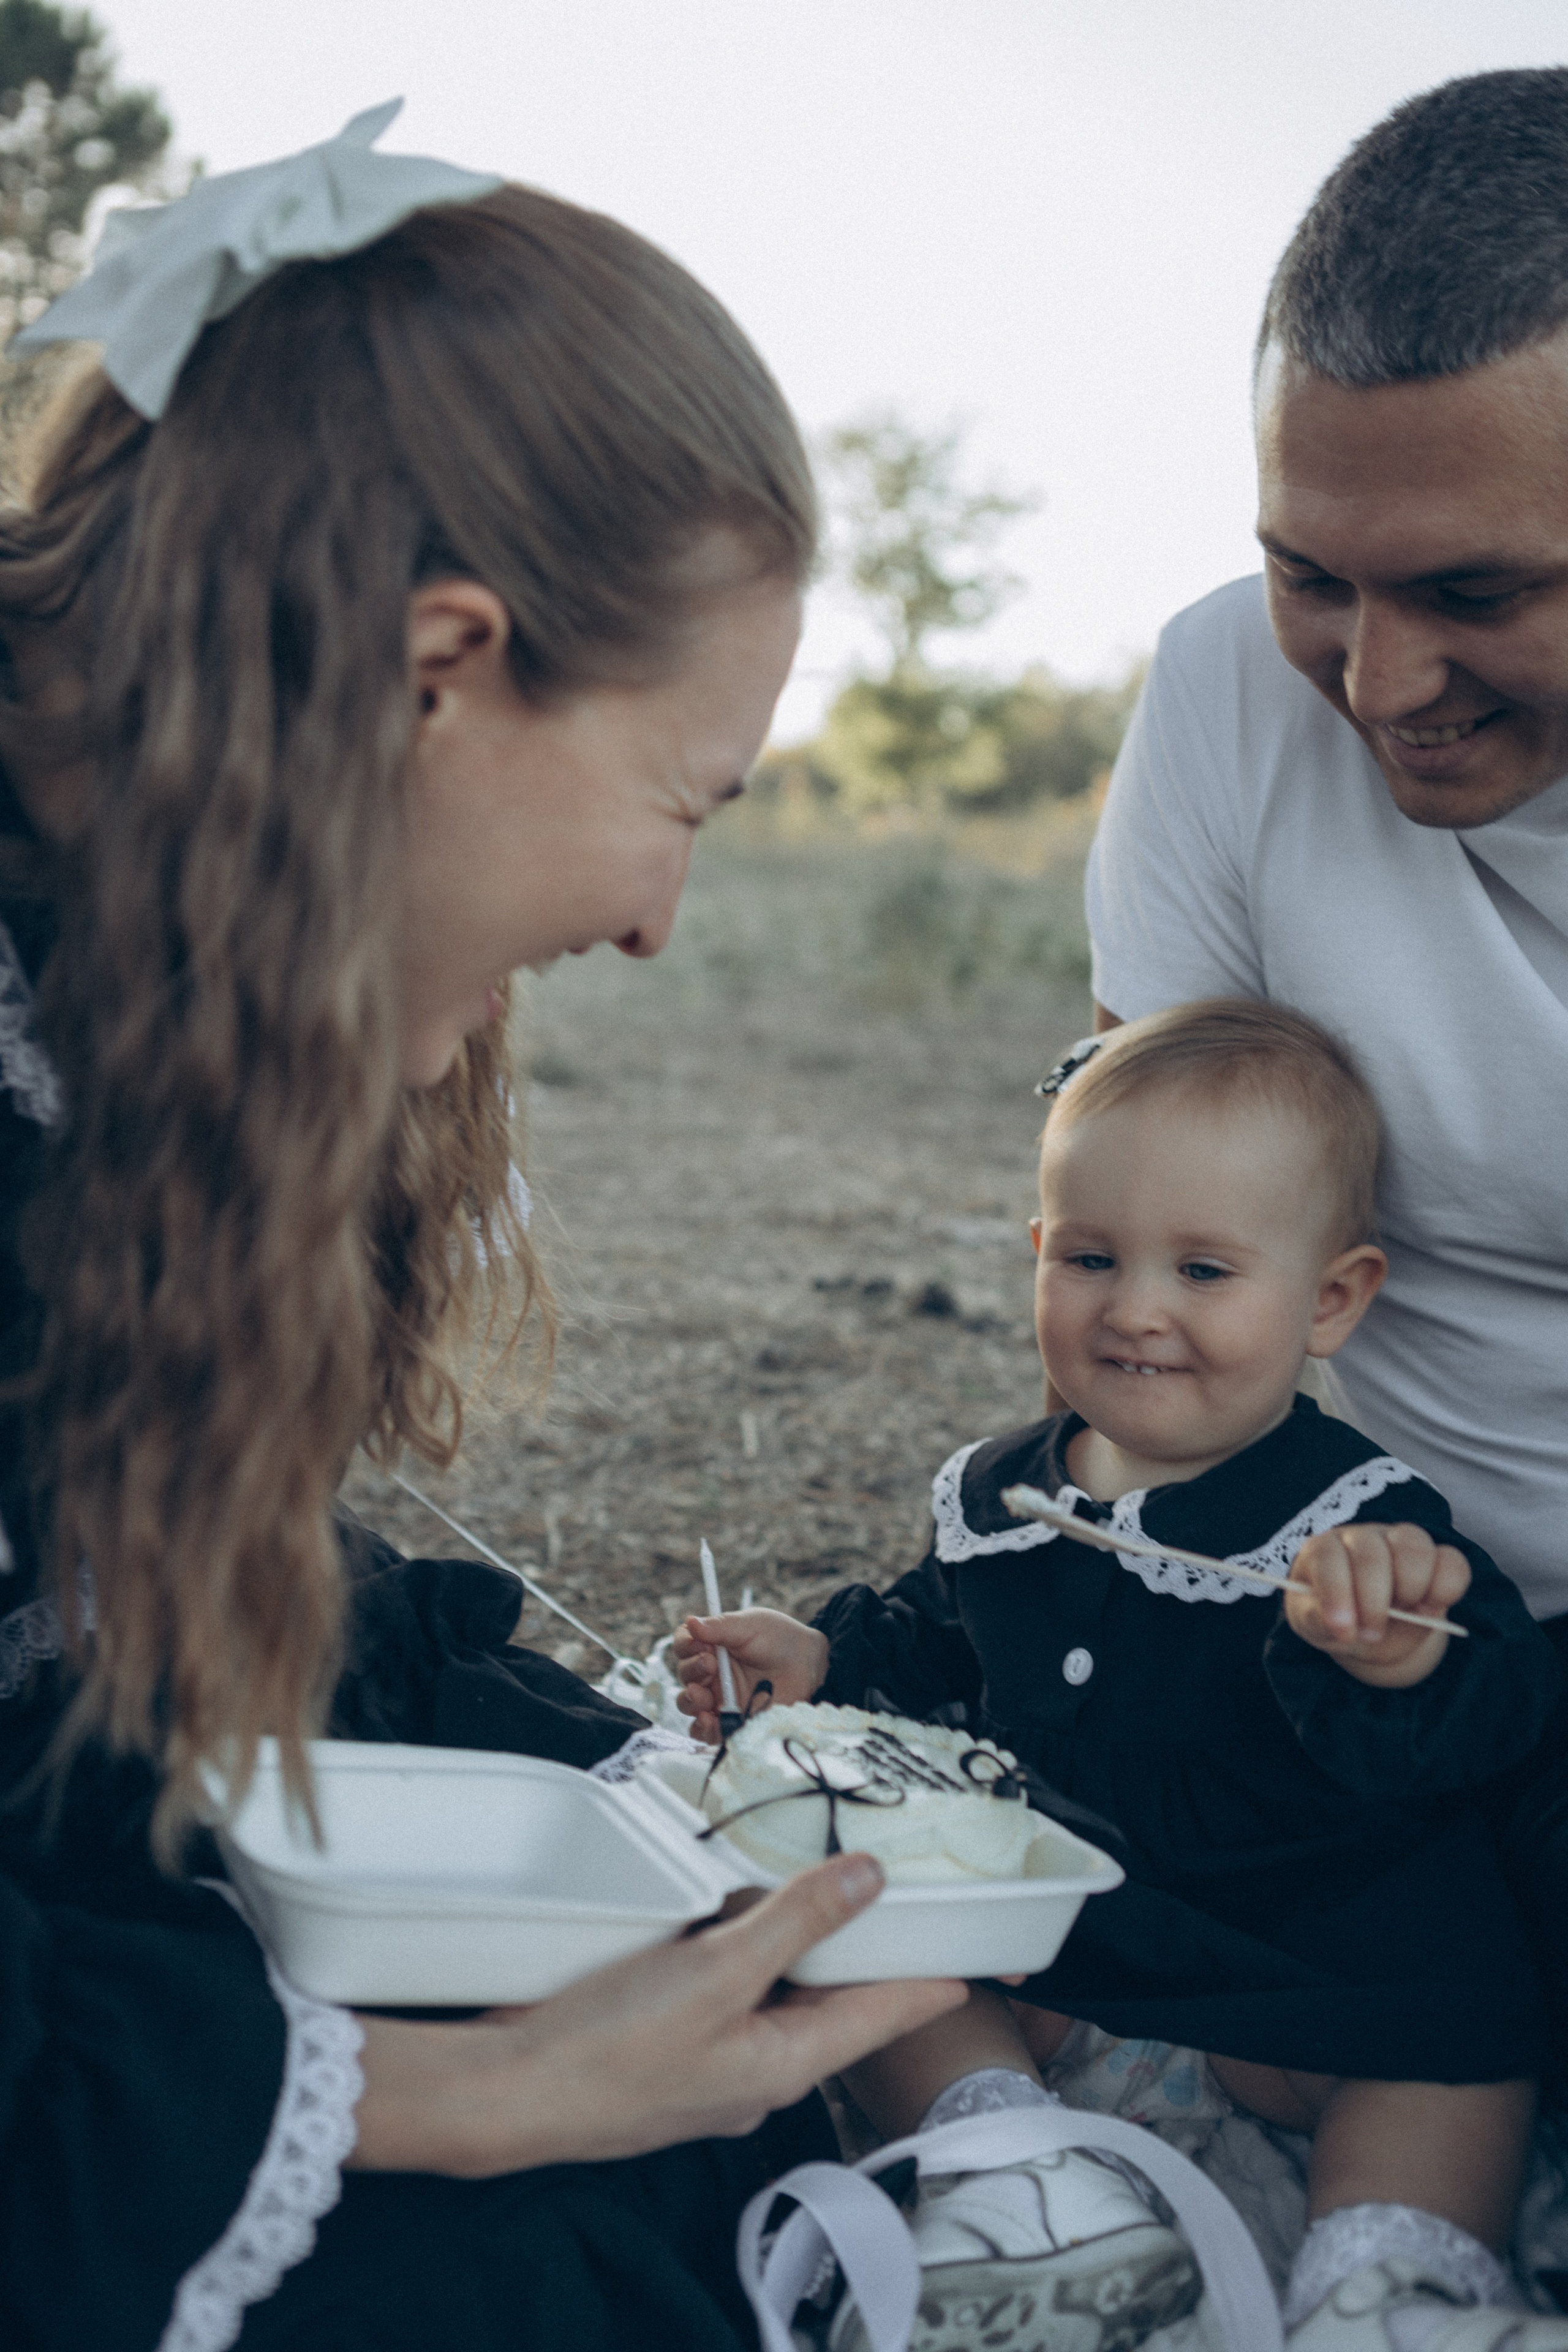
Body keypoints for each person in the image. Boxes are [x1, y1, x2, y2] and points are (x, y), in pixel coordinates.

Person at [0, 110, 971, 2352]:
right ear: (435, 666)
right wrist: (460, 2093)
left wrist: (622, 1783)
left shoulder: (119, 951)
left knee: (691, 2133)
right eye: (677, 802)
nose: (655, 917)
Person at [677, 1000, 1567, 2349]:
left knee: (1447, 2048)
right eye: (1089, 1257)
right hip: (1069, 1954)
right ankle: (1024, 2182)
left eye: (1204, 1272)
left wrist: (1392, 1658)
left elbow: (1490, 1715)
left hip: (1309, 1957)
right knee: (854, 1948)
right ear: (1036, 1253)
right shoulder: (999, 1490)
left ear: (1329, 1300)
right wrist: (822, 1661)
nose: (1136, 1309)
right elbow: (937, 1642)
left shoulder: (1352, 1517)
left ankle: (1389, 2286)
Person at [1081, 69, 1568, 2043]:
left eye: (1477, 593)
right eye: (1313, 574)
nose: (1376, 686)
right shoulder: (1219, 689)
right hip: (1352, 1614)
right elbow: (1158, 1226)